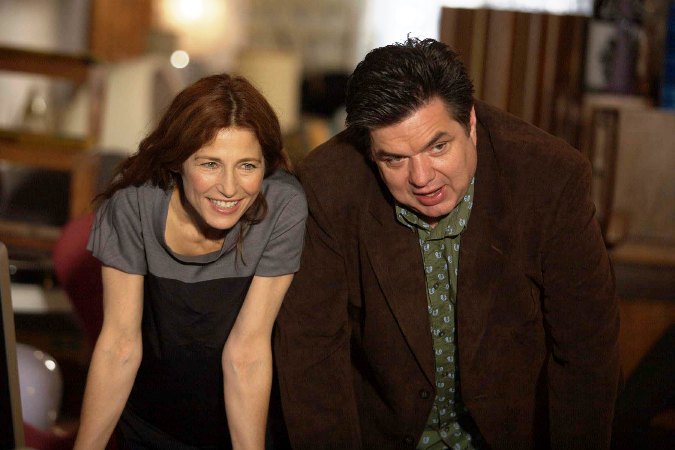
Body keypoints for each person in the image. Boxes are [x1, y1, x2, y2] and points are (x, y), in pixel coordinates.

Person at [274, 37, 620, 449]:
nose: (421, 178)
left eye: (438, 147)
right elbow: (312, 350)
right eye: (394, 159)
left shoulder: (550, 177)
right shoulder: (328, 185)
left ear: (470, 123)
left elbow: (586, 348)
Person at [73, 73, 307, 450]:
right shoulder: (133, 205)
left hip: (243, 423)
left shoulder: (282, 206)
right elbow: (120, 346)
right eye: (210, 164)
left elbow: (247, 352)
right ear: (178, 160)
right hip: (149, 423)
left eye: (247, 166)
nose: (229, 188)